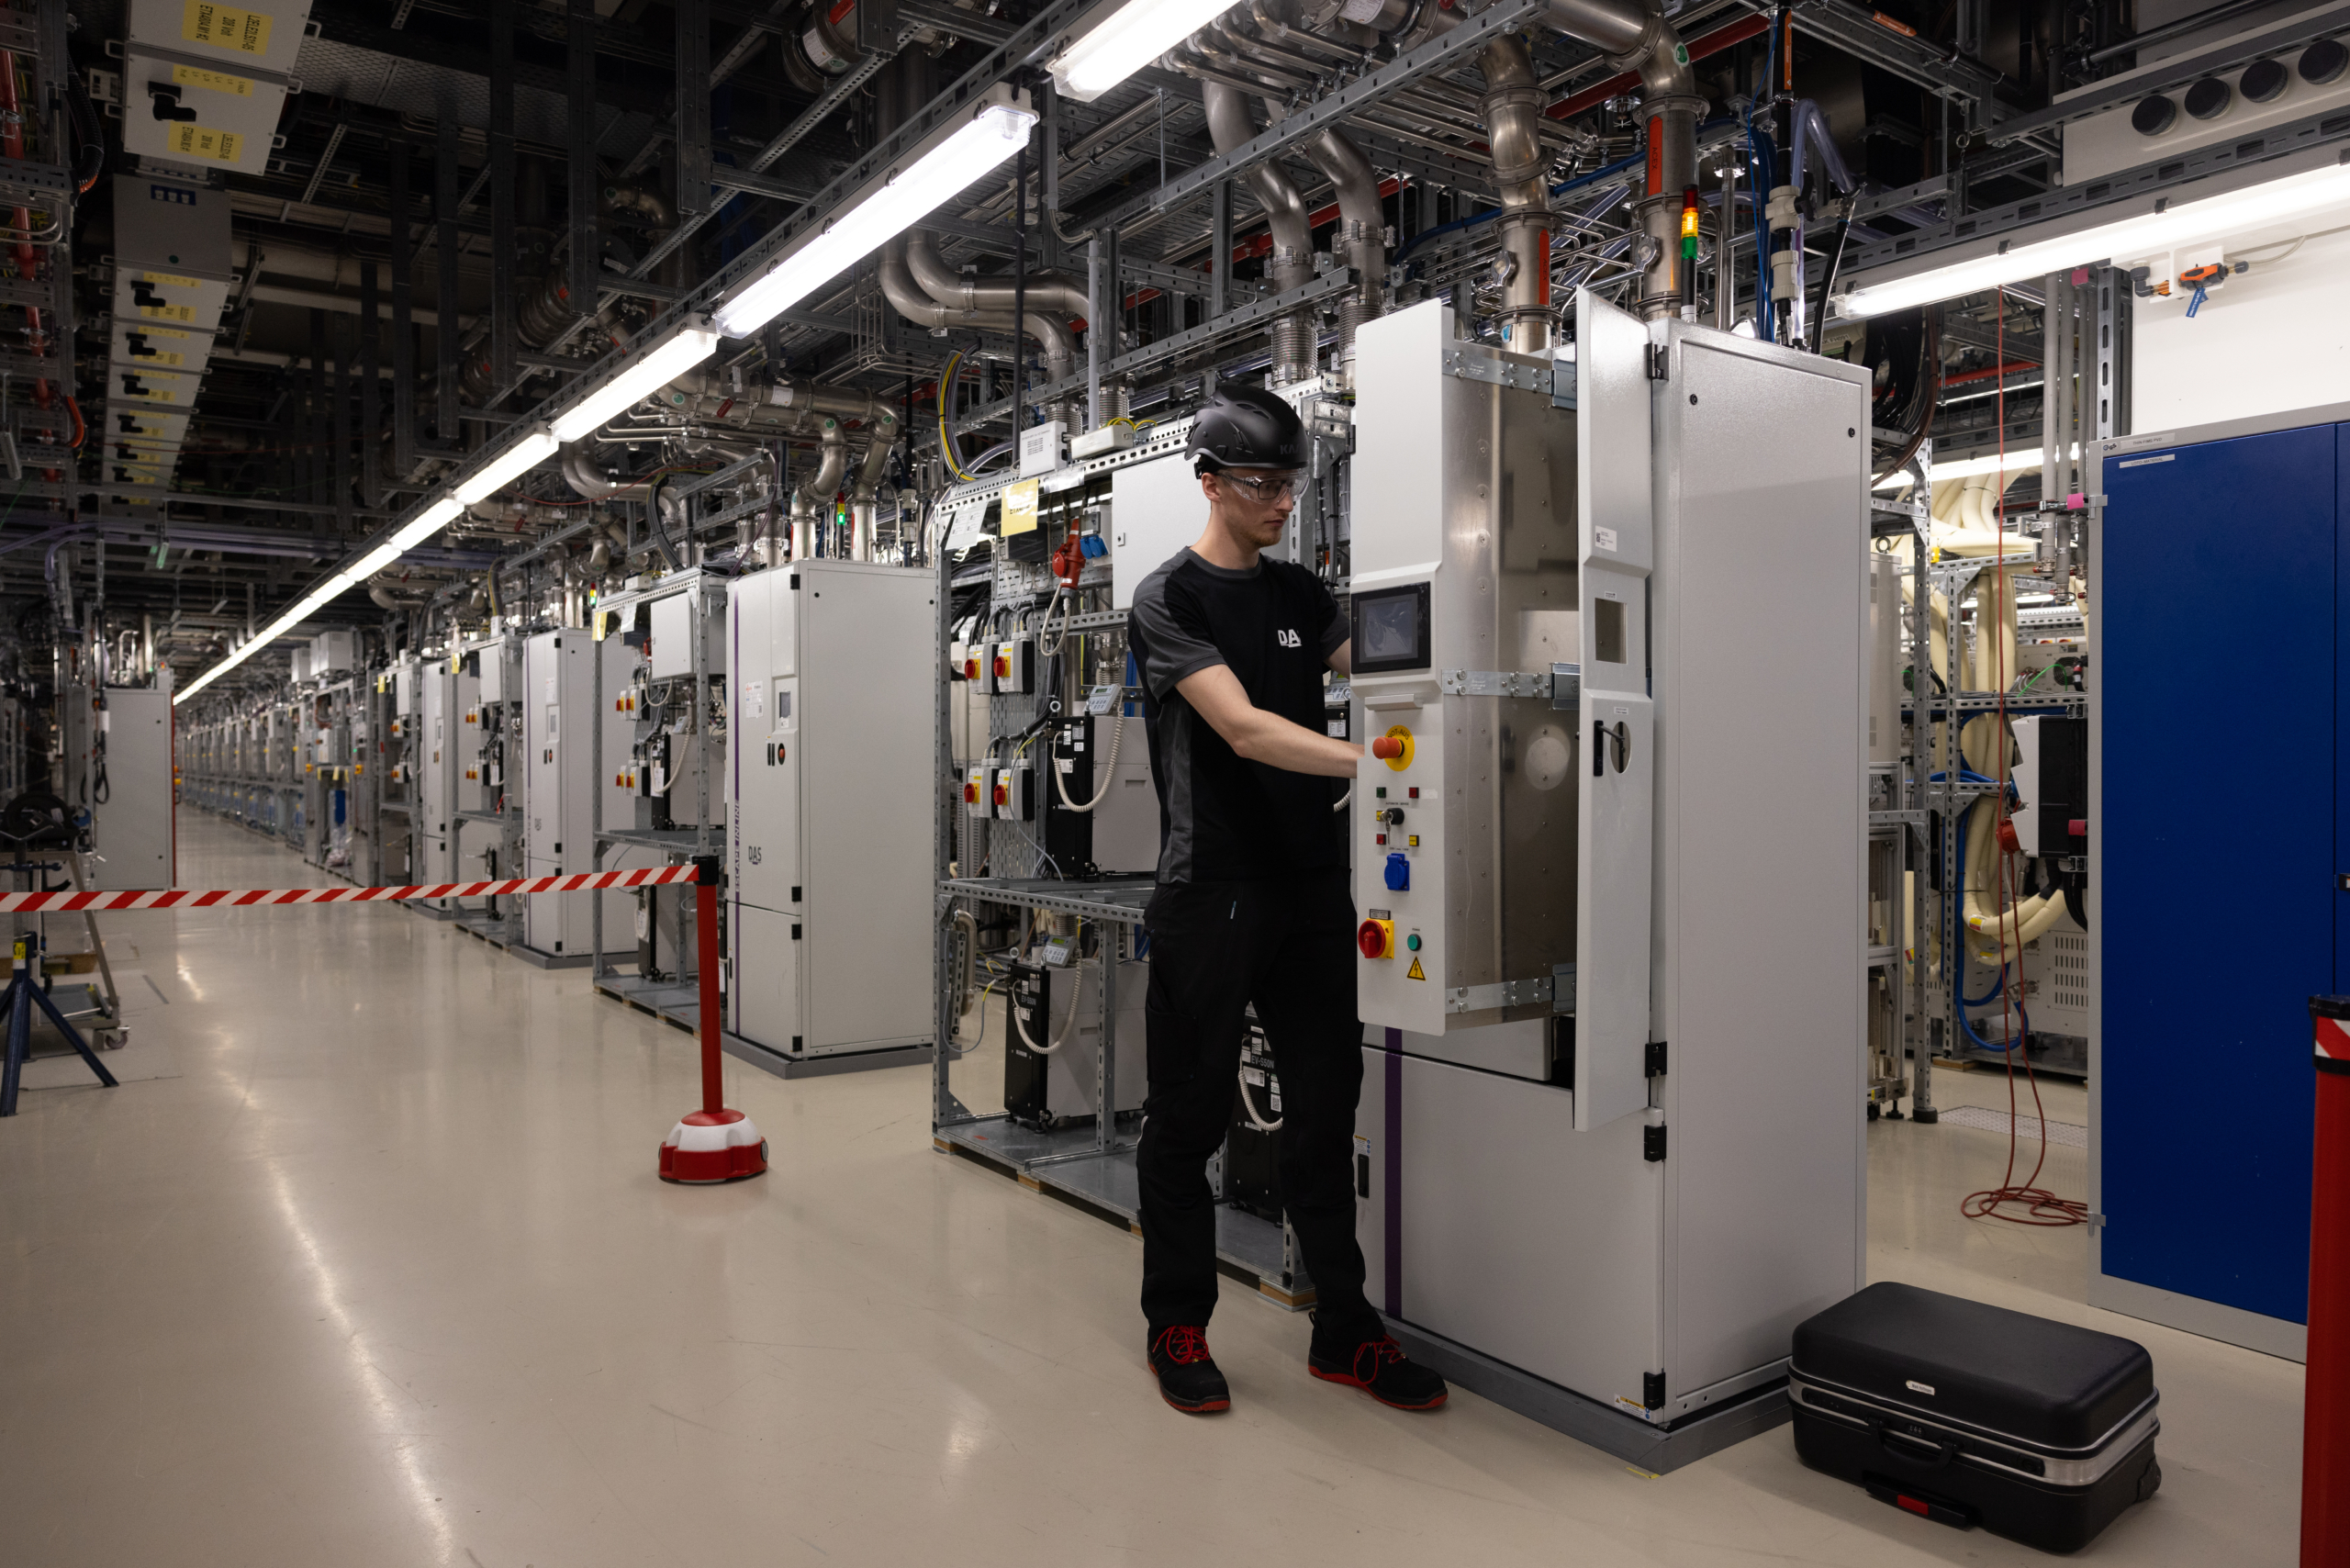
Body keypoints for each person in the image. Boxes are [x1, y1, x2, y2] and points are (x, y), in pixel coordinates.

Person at [1125, 386, 1448, 1416]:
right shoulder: (1167, 599)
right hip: (1209, 889)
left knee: (1324, 1112)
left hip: (1311, 888)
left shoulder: (1304, 596)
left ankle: (1342, 1331)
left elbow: (1401, 664)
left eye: (1291, 483)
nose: (1281, 501)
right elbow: (1248, 730)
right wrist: (1376, 759)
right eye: (1262, 484)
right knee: (1186, 1116)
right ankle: (1177, 1319)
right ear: (1210, 482)